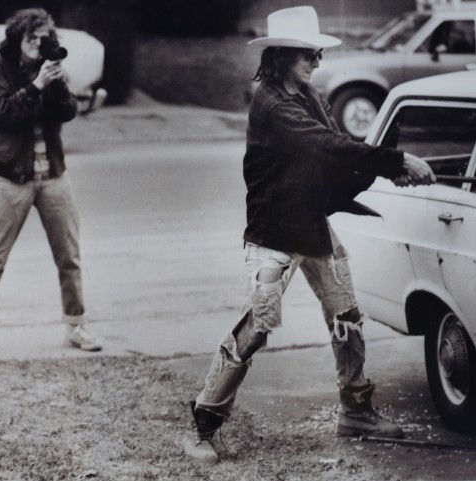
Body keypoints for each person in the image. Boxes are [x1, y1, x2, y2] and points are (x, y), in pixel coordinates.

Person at [181, 6, 435, 463]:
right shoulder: (272, 104)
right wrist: (394, 162)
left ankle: (356, 411)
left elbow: (336, 154)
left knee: (347, 316)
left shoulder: (308, 95)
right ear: (280, 55)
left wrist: (384, 172)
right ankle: (202, 425)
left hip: (312, 223)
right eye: (308, 53)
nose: (317, 58)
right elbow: (324, 146)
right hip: (274, 231)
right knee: (256, 327)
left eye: (318, 52)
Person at [0, 8, 101, 359]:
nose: (38, 44)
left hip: (53, 174)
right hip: (11, 177)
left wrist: (53, 84)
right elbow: (1, 114)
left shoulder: (49, 69)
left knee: (69, 255)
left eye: (43, 38)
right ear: (17, 39)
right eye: (31, 38)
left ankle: (76, 324)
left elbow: (67, 112)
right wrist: (36, 86)